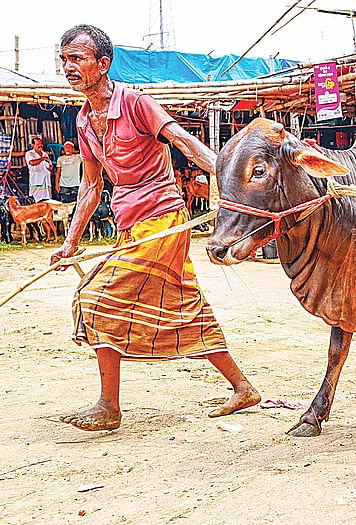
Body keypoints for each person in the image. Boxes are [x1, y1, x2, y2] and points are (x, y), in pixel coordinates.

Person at [51, 24, 260, 431]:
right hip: (130, 225)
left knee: (96, 298)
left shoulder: (136, 103)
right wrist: (70, 242)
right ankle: (243, 387)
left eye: (76, 59)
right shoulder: (82, 121)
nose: (68, 67)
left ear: (103, 63)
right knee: (184, 305)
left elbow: (181, 140)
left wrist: (226, 175)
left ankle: (109, 406)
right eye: (64, 60)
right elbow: (93, 186)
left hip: (163, 220)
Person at [25, 137, 53, 201]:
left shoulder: (45, 154)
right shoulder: (29, 153)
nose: (40, 145)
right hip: (37, 181)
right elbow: (32, 162)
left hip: (46, 181)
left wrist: (50, 167)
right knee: (36, 201)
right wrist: (42, 159)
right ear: (33, 145)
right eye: (38, 144)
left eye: (41, 144)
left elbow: (50, 166)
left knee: (47, 201)